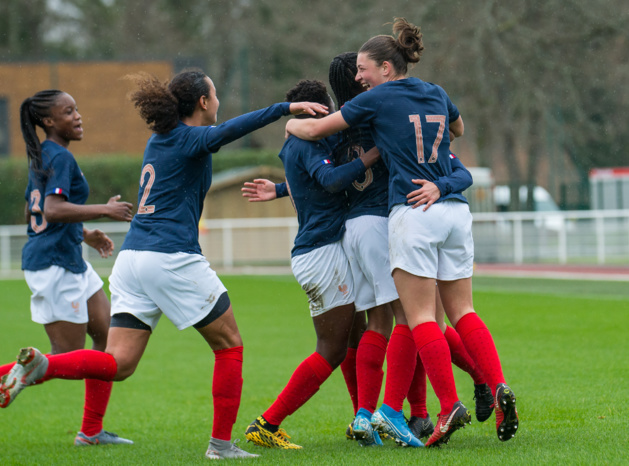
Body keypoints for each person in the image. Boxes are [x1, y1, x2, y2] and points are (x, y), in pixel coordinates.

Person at [0, 69, 328, 460]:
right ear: (204, 102)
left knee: (118, 364)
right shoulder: (189, 138)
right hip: (170, 257)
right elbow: (229, 132)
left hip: (133, 260)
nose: (218, 100)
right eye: (215, 93)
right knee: (229, 346)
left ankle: (44, 367)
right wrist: (283, 108)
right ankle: (221, 446)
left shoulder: (160, 140)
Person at [286, 19, 519, 448]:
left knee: (418, 320)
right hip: (453, 210)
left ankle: (441, 406)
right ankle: (494, 385)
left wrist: (288, 122)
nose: (359, 78)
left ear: (386, 69)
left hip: (412, 211)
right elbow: (458, 131)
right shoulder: (435, 92)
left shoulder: (375, 102)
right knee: (462, 312)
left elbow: (316, 131)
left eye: (364, 69)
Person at [243, 79, 380, 450]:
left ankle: (361, 419)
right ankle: (267, 423)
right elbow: (331, 180)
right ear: (317, 111)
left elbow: (309, 180)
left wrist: (279, 189)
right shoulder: (304, 143)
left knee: (355, 334)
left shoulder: (304, 143)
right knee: (331, 349)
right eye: (330, 110)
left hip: (321, 251)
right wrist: (371, 156)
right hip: (320, 255)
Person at [0, 90, 134, 446]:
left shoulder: (47, 155)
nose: (78, 116)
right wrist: (103, 210)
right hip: (52, 266)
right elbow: (53, 209)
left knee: (106, 335)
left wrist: (85, 233)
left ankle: (91, 432)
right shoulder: (57, 156)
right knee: (62, 360)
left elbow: (40, 212)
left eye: (77, 109)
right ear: (48, 122)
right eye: (68, 111)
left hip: (70, 259)